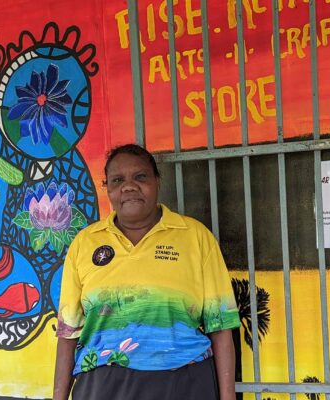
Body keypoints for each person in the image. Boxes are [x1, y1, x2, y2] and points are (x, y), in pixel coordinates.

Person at [53, 144, 240, 400]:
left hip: (185, 380)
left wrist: (228, 396)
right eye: (118, 180)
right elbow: (68, 333)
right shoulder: (85, 244)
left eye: (140, 177)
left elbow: (221, 328)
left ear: (157, 182)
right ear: (107, 188)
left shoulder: (196, 237)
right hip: (104, 384)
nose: (128, 186)